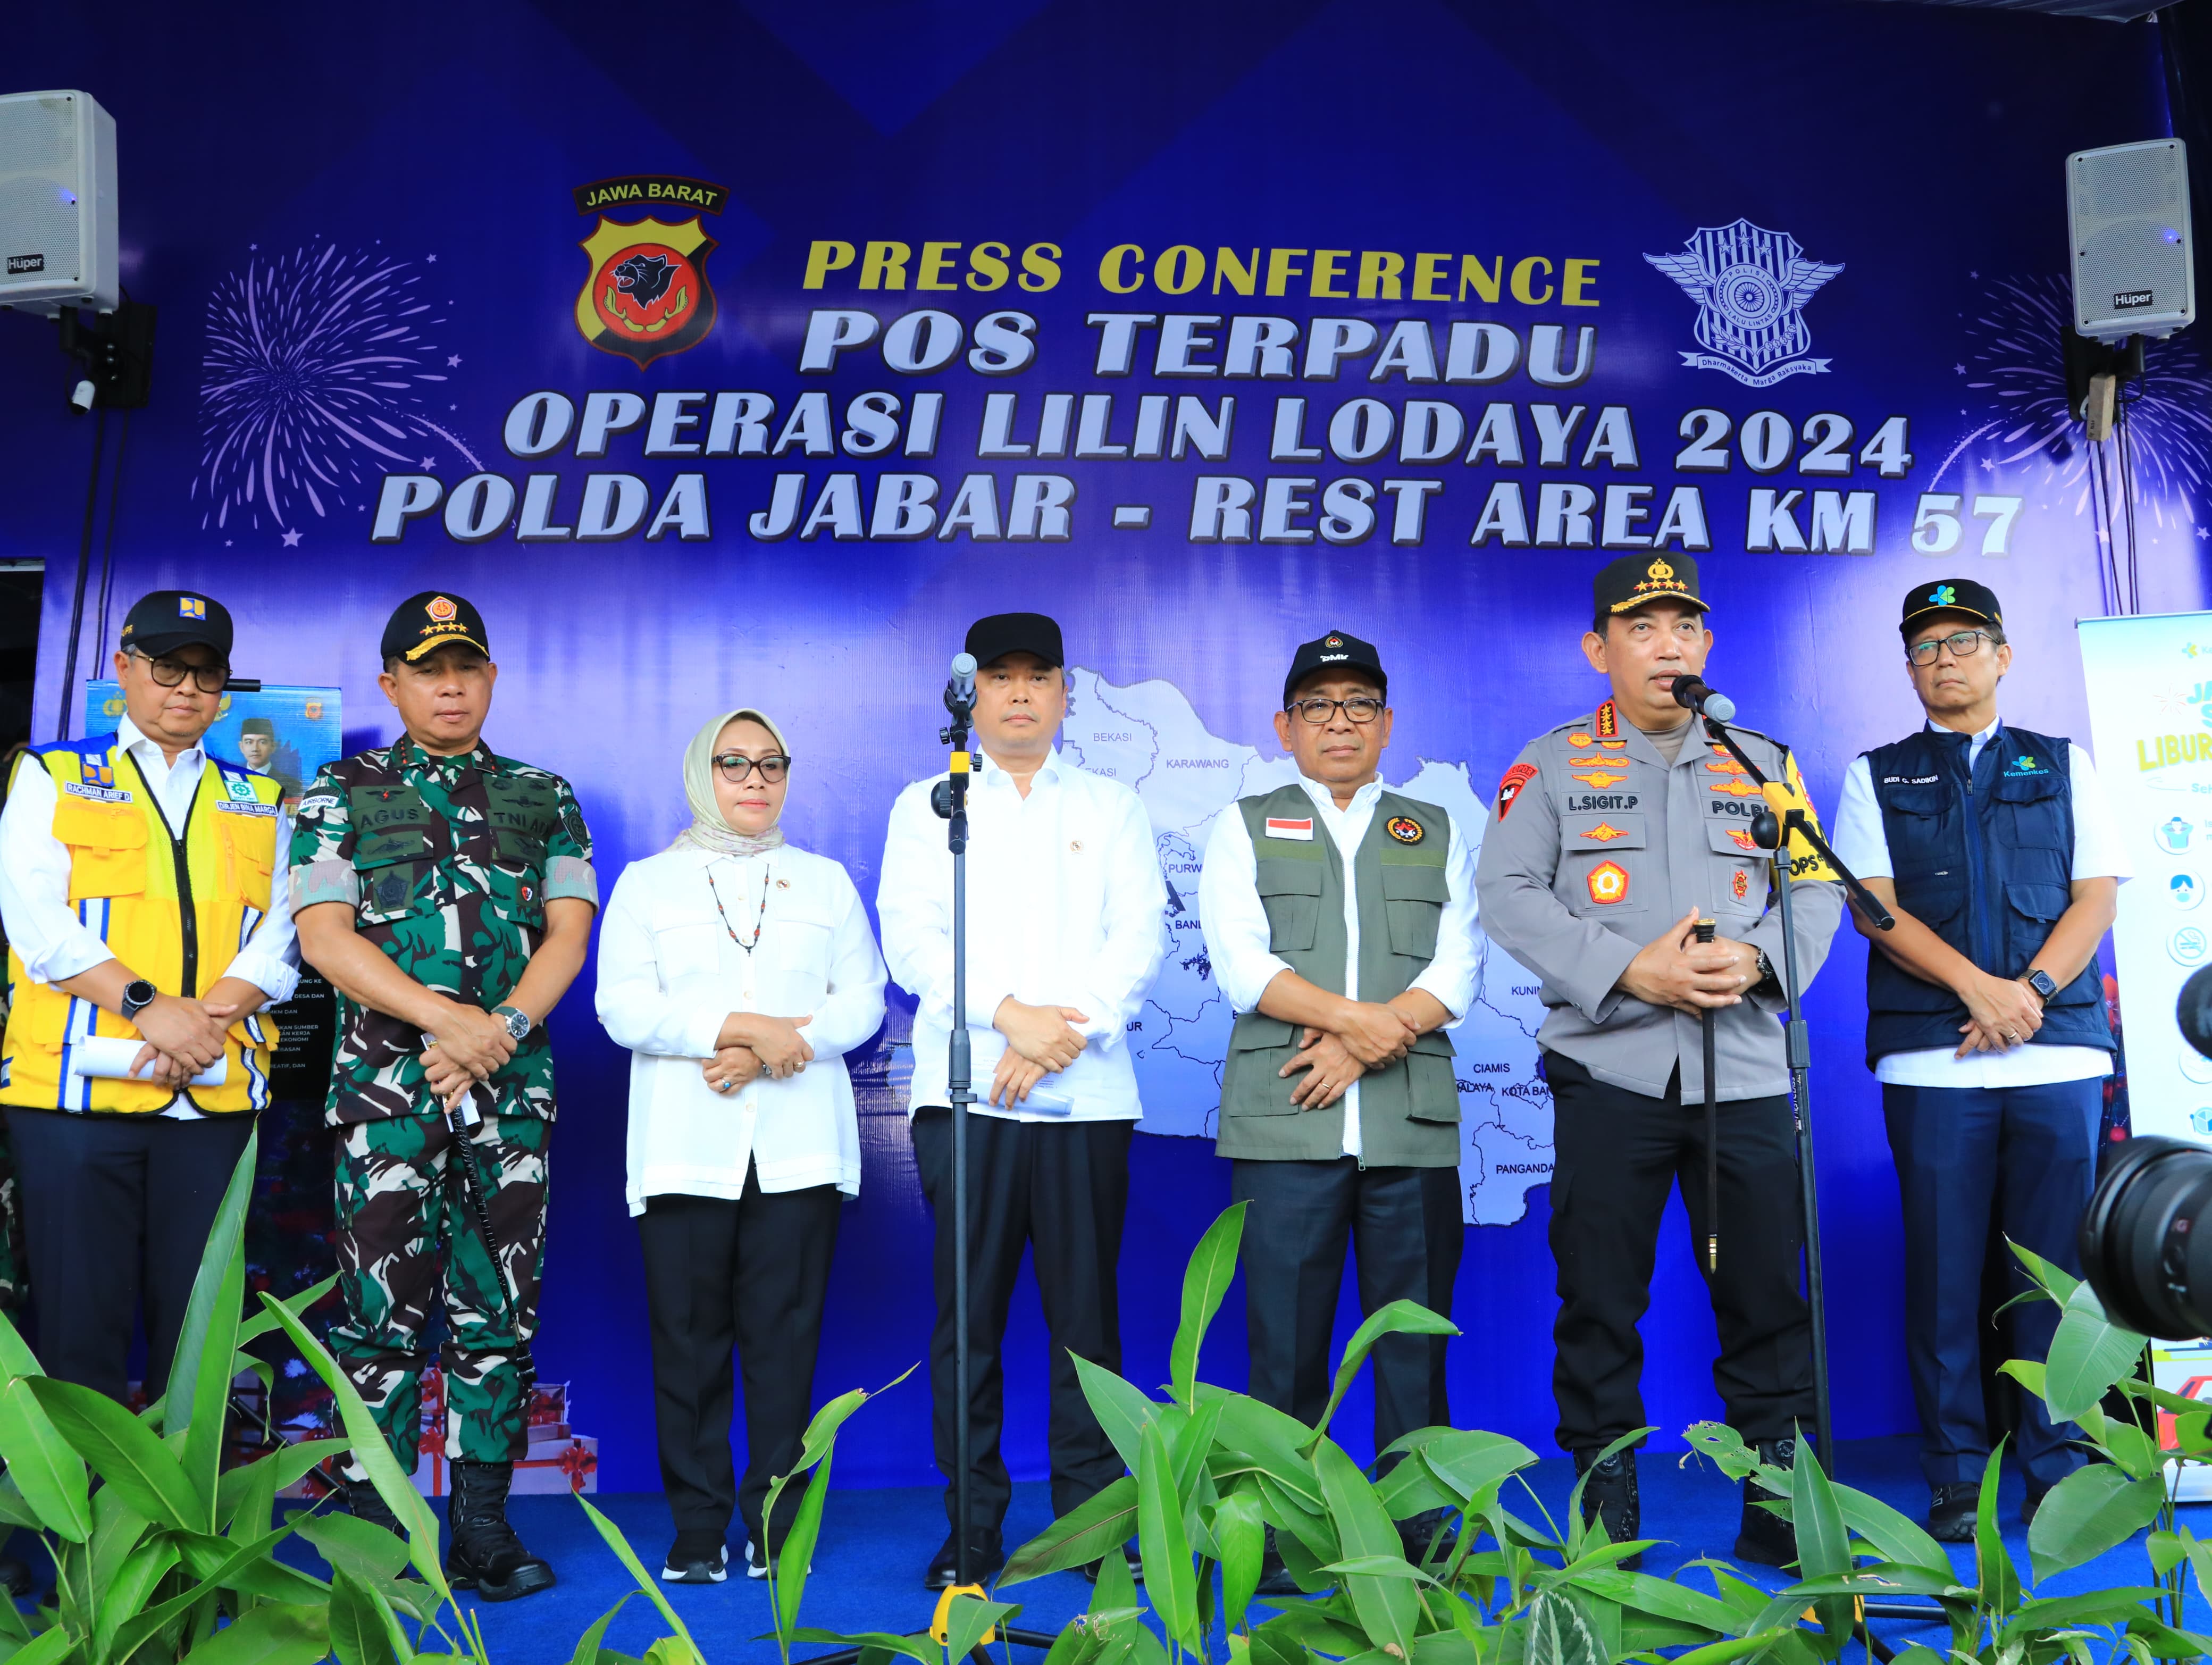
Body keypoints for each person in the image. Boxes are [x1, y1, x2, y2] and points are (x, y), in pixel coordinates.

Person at [1473, 553, 1844, 1567]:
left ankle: (1776, 1507)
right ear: (1601, 649)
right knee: (1598, 1296)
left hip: (1750, 1072)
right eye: (1643, 627)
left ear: (1707, 645)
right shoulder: (1550, 764)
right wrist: (1630, 969)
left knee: (1769, 1293)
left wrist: (1760, 958)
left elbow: (1815, 892)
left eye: (1684, 624)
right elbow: (1509, 892)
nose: (1668, 642)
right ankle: (1607, 1512)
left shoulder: (1762, 759)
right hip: (1612, 1073)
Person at [291, 592, 596, 1602]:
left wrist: (496, 1030)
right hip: (389, 1099)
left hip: (508, 1096)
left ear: (494, 678)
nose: (450, 684)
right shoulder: (338, 792)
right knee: (378, 1321)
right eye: (428, 669)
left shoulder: (544, 793)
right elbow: (325, 938)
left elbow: (567, 932)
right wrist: (446, 1020)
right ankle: (381, 1536)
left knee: (497, 1316)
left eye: (467, 665)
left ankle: (481, 1531)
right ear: (393, 684)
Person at [1828, 579, 2124, 1539]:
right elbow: (1874, 909)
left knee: (2055, 1275)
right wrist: (1980, 990)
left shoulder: (2065, 762)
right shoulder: (1877, 773)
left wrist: (2028, 993)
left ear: (2002, 655)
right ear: (1908, 668)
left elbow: (2094, 899)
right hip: (1934, 1056)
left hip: (2056, 1052)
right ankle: (1957, 1469)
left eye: (1963, 642)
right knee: (1945, 1272)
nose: (1944, 660)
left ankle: (2059, 1462)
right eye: (1925, 648)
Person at [877, 612, 1168, 1588]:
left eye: (1036, 676)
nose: (1017, 693)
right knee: (971, 1320)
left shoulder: (1113, 805)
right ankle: (973, 1528)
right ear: (974, 693)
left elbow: (1139, 939)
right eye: (998, 677)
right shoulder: (929, 804)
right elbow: (914, 942)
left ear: (1065, 694)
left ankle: (1090, 1524)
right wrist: (1007, 1016)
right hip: (966, 1097)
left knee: (1088, 1322)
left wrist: (1057, 1035)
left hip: (1085, 1096)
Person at [1196, 630, 1475, 1587]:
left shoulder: (1435, 827)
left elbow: (1461, 963)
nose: (1341, 721)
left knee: (1412, 1344)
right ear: (1285, 725)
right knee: (1286, 1344)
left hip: (1410, 1126)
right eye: (1320, 706)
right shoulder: (1243, 823)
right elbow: (1242, 964)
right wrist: (1364, 1024)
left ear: (1389, 724)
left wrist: (1368, 1039)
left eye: (1360, 704)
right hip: (1289, 1119)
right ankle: (1285, 1531)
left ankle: (1419, 1532)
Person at [596, 707, 887, 1585]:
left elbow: (863, 1000)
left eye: (771, 764)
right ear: (702, 774)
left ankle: (771, 1527)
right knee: (687, 1346)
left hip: (798, 1150)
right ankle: (695, 1534)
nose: (755, 779)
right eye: (734, 763)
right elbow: (623, 1007)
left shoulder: (826, 881)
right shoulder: (648, 885)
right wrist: (742, 1027)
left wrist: (761, 1050)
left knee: (784, 1346)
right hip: (685, 1150)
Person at [0, 591, 296, 1416]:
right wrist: (146, 1004)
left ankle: (183, 1544)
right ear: (125, 669)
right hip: (74, 1102)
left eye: (207, 673)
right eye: (168, 666)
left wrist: (198, 1023)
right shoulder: (49, 774)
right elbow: (35, 923)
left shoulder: (265, 801)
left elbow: (280, 941)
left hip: (210, 1101)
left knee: (200, 1346)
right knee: (74, 1336)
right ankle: (79, 1540)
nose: (186, 688)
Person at [237, 716, 303, 802]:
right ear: (241, 747)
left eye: (262, 742)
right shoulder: (231, 778)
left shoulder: (292, 785)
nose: (255, 749)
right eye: (249, 742)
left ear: (273, 746)